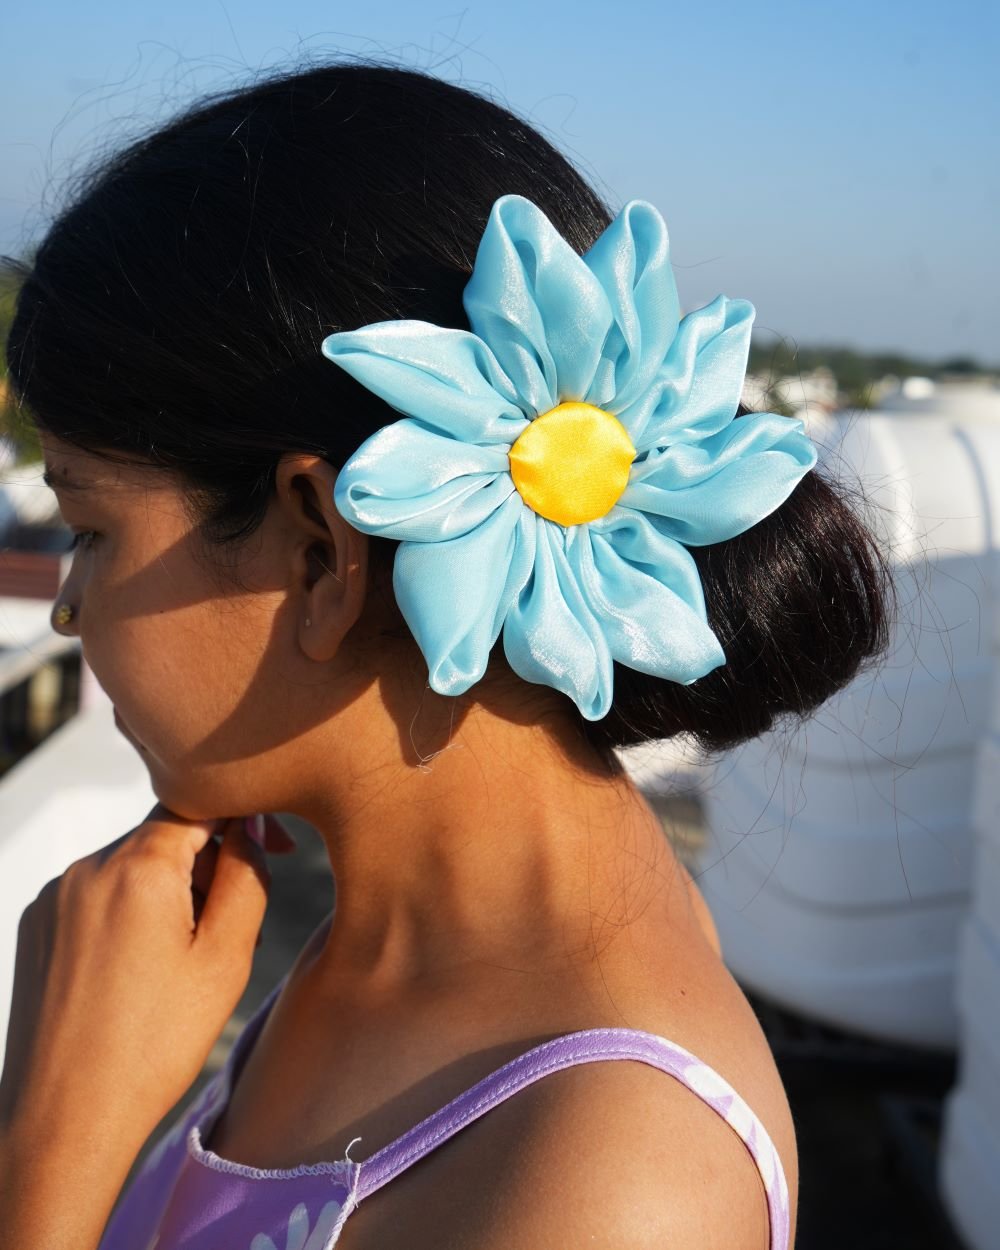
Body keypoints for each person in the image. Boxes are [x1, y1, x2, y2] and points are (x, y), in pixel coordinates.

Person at [0, 62, 890, 1250]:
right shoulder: (401, 943)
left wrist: (56, 1140)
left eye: (90, 528)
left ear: (319, 550)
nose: (67, 606)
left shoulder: (613, 1181)